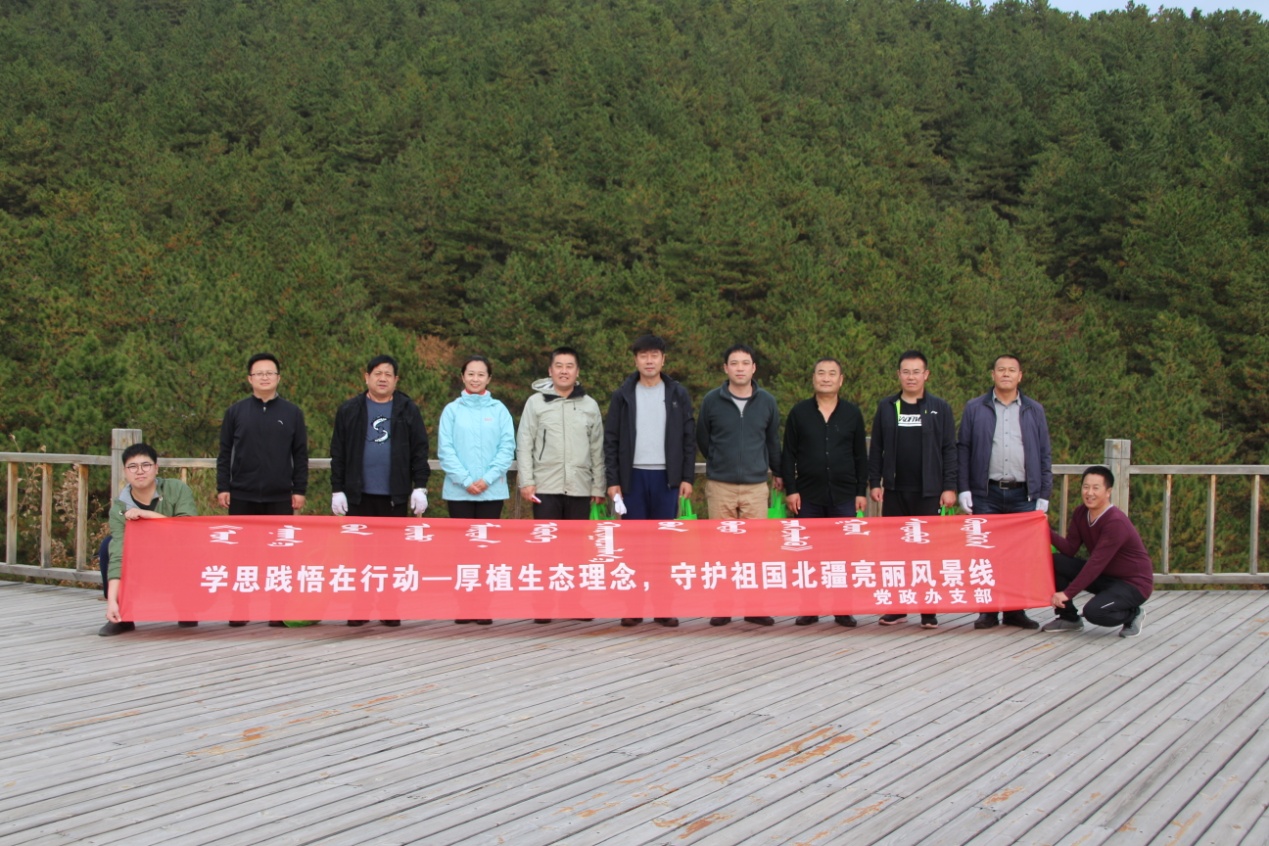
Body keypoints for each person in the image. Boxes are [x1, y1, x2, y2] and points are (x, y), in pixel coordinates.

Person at [330, 354, 431, 627]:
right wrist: (337, 489)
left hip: (394, 496)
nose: (382, 378)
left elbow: (419, 450)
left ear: (396, 380)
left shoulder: (407, 409)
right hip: (358, 495)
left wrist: (420, 486)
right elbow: (338, 453)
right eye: (377, 373)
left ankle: (389, 607)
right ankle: (359, 607)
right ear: (367, 377)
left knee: (392, 556)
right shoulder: (350, 410)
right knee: (359, 556)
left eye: (388, 374)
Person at [604, 334, 695, 628]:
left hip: (667, 479)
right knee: (633, 546)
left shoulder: (677, 393)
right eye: (643, 355)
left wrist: (687, 477)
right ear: (635, 360)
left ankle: (663, 608)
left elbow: (688, 438)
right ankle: (632, 608)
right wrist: (613, 480)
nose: (649, 360)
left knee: (663, 547)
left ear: (663, 359)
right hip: (632, 478)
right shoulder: (623, 394)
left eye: (654, 355)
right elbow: (611, 439)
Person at [957, 353, 1052, 630]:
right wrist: (964, 488)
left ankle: (1014, 610)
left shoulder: (1034, 410)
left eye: (1012, 370)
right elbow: (964, 450)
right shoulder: (975, 408)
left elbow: (1044, 453)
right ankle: (987, 610)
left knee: (1018, 555)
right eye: (1001, 369)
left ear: (1020, 376)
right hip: (986, 492)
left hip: (1023, 494)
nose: (1006, 374)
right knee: (986, 555)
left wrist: (1043, 493)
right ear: (993, 374)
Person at [216, 352, 308, 629]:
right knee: (240, 555)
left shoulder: (292, 413)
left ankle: (278, 610)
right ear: (250, 379)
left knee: (280, 556)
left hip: (279, 495)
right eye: (259, 373)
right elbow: (224, 452)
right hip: (242, 494)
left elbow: (300, 454)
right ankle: (239, 609)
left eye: (270, 373)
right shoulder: (236, 412)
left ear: (278, 377)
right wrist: (223, 486)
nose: (265, 377)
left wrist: (299, 489)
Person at [868, 350, 958, 630]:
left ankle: (928, 609)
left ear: (926, 375)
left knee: (927, 553)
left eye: (916, 372)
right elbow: (877, 448)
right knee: (895, 552)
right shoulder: (887, 406)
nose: (911, 377)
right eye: (906, 372)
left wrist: (949, 486)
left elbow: (949, 449)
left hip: (928, 493)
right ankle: (897, 608)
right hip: (895, 491)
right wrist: (874, 482)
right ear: (898, 375)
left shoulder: (939, 407)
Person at [516, 346, 606, 623]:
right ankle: (542, 606)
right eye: (559, 366)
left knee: (576, 550)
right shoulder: (536, 403)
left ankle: (573, 604)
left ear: (577, 372)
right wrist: (527, 481)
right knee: (545, 550)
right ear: (550, 370)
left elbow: (597, 449)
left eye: (569, 366)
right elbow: (524, 443)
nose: (564, 371)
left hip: (579, 486)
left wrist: (598, 487)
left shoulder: (589, 405)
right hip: (545, 486)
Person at [697, 344, 781, 627]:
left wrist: (778, 472)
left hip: (756, 485)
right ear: (726, 368)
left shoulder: (767, 401)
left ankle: (754, 607)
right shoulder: (712, 400)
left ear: (754, 367)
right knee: (721, 550)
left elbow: (772, 441)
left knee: (755, 550)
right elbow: (703, 438)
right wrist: (720, 461)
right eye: (734, 363)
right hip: (720, 484)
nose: (740, 368)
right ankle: (723, 607)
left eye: (746, 363)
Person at [781, 357, 866, 629]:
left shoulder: (852, 413)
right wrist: (791, 490)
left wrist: (860, 491)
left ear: (841, 380)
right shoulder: (799, 413)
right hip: (808, 495)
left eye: (831, 374)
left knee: (843, 555)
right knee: (808, 556)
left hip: (844, 495)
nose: (826, 378)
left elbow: (859, 456)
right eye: (821, 373)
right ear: (813, 378)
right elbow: (788, 454)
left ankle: (843, 609)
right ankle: (810, 608)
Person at [438, 355, 515, 625]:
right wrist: (465, 479)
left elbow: (507, 447)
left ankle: (483, 606)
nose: (475, 378)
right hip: (459, 492)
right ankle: (464, 606)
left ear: (489, 378)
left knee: (486, 551)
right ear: (462, 377)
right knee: (462, 550)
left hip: (491, 492)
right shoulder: (452, 410)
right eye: (470, 373)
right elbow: (445, 449)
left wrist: (487, 479)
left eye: (481, 374)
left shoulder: (499, 410)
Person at [99, 443, 198, 636]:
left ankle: (185, 605)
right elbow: (118, 553)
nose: (140, 471)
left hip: (176, 554)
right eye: (132, 466)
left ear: (156, 468)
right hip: (143, 558)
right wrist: (111, 601)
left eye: (146, 465)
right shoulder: (119, 508)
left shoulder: (176, 489)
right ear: (125, 472)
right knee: (107, 546)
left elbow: (188, 530)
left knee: (200, 547)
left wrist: (148, 516)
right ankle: (122, 615)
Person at [1043, 466, 1151, 637]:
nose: (1089, 493)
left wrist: (1067, 593)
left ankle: (1133, 614)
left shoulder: (1115, 522)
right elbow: (1070, 549)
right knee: (1056, 561)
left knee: (1094, 612)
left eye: (1096, 488)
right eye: (1086, 487)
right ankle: (1069, 618)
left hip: (1133, 584)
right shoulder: (1081, 513)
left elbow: (1096, 563)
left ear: (1108, 492)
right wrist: (1044, 528)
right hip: (1105, 576)